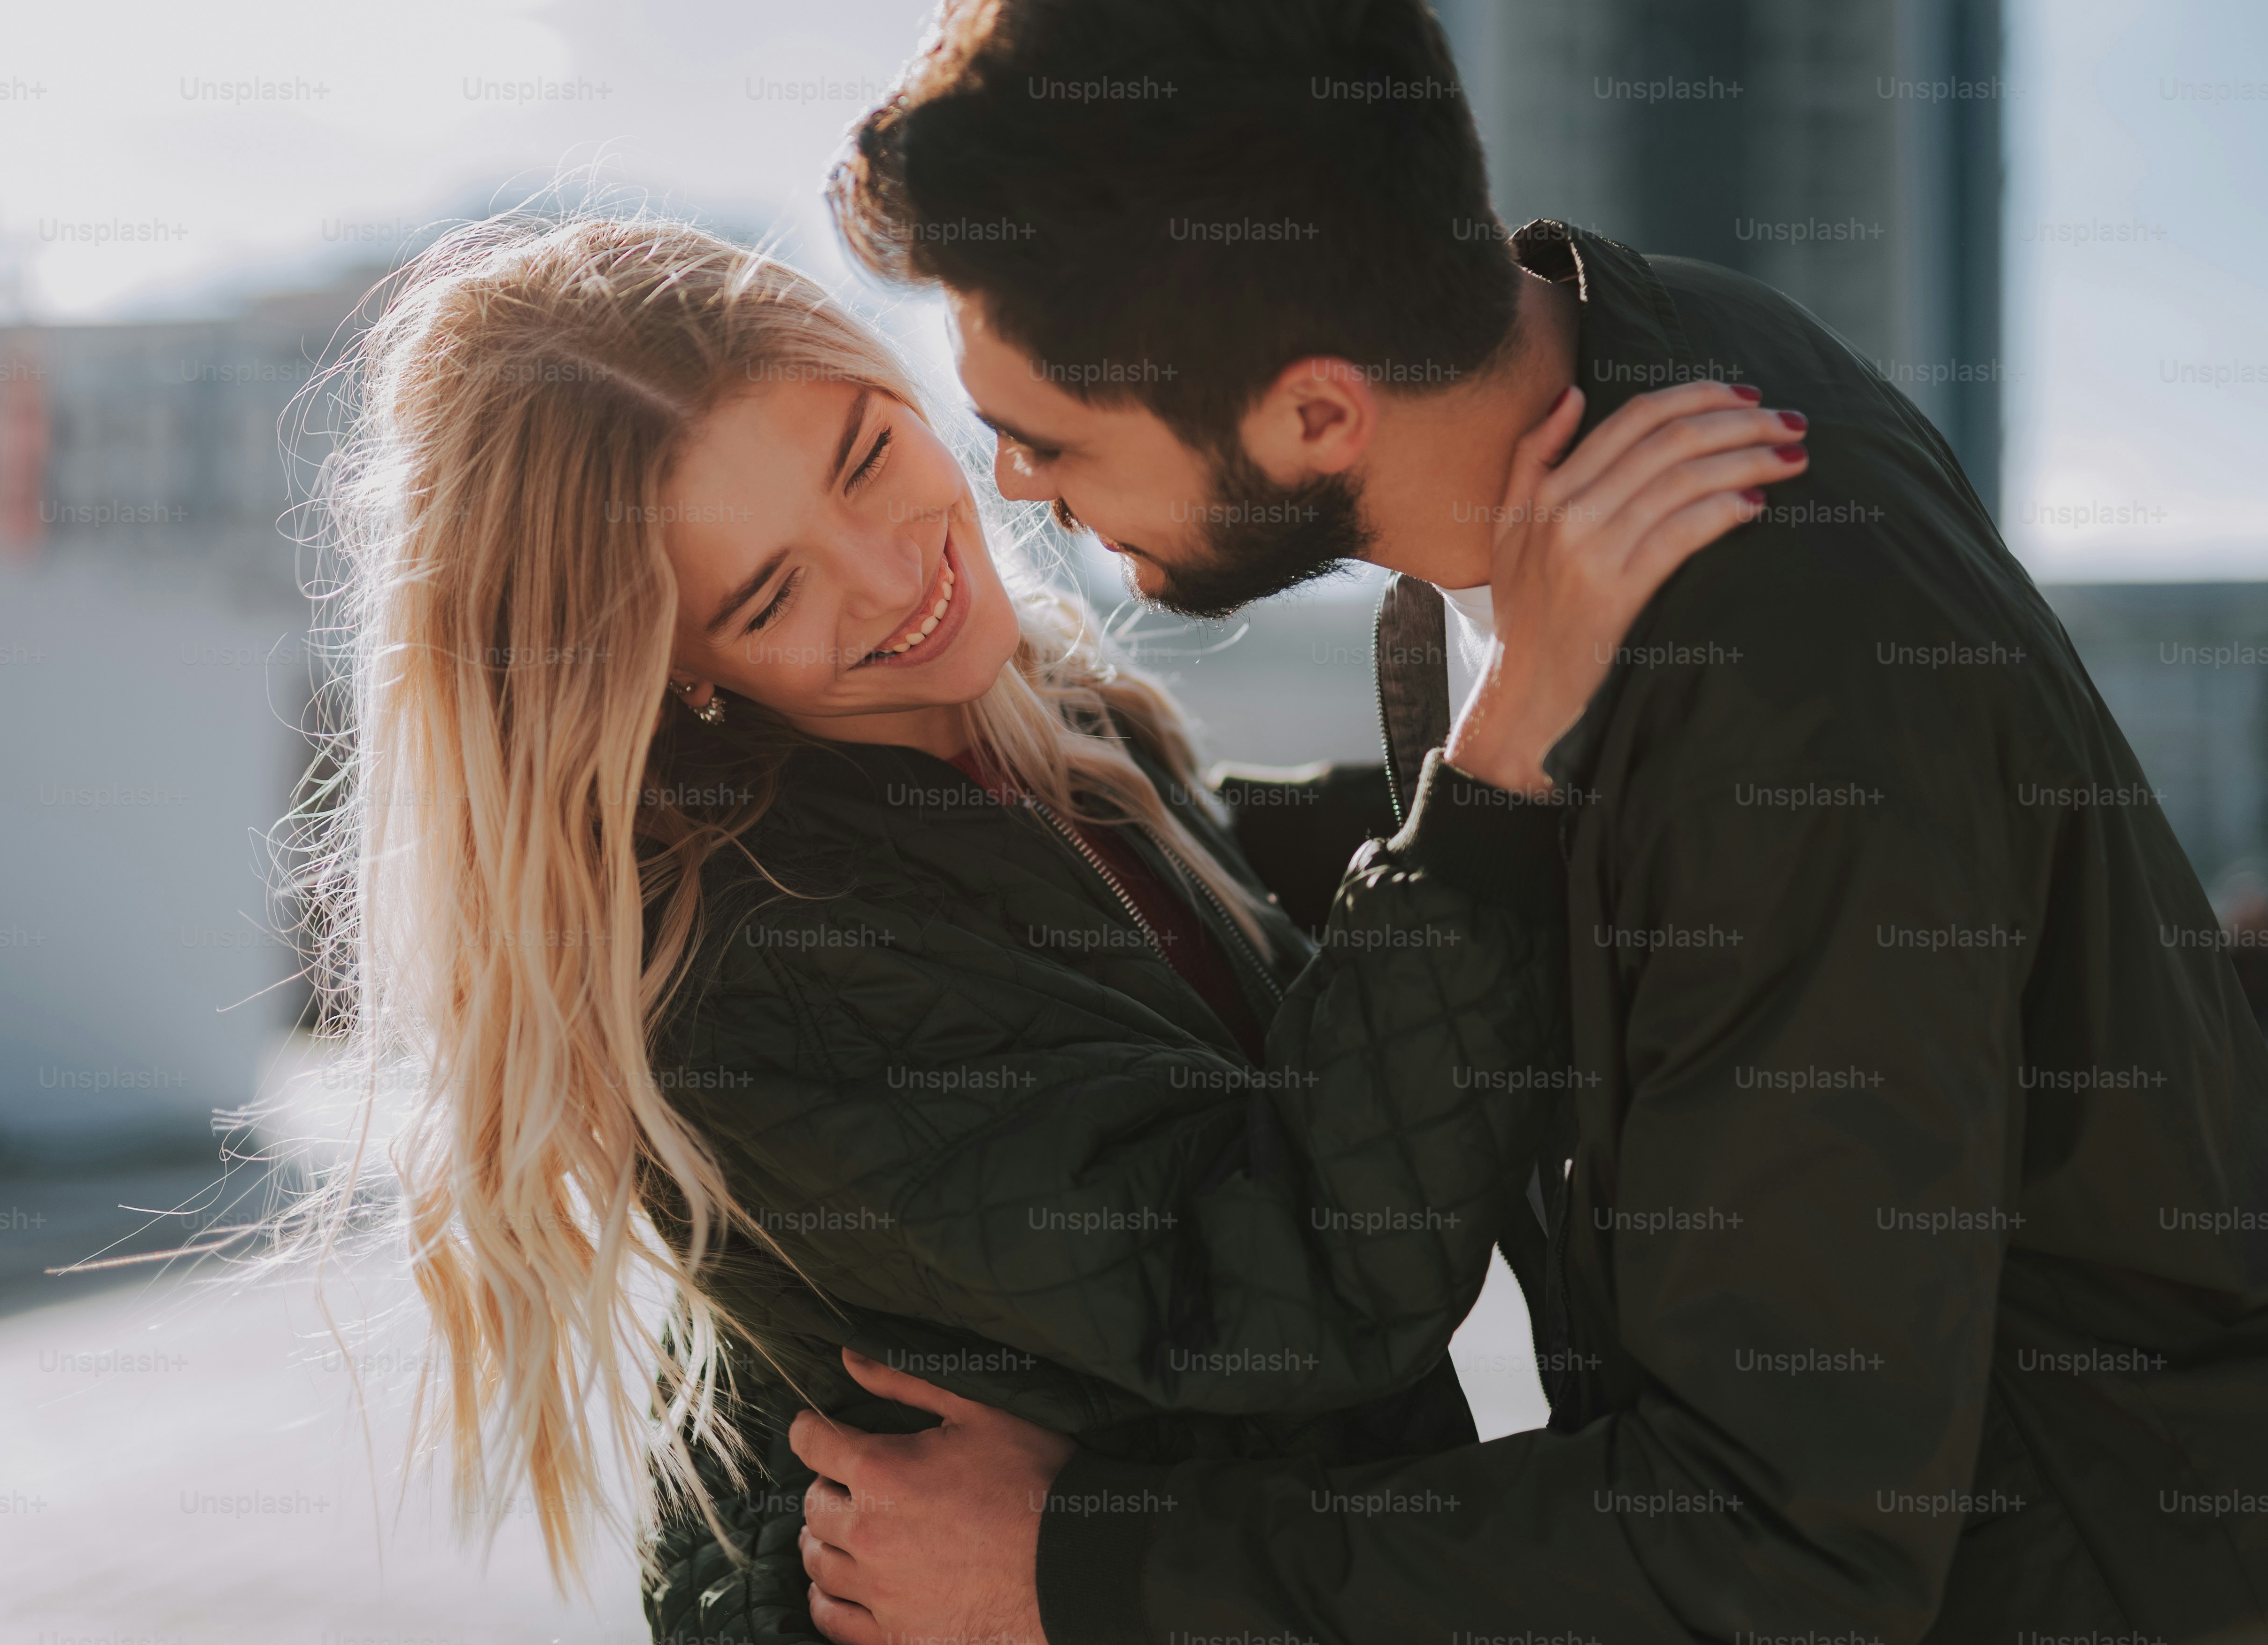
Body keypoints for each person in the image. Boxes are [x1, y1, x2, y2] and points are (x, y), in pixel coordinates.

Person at [786, 0, 2268, 1642]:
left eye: (1054, 435)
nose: (1012, 485)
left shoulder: (1781, 687)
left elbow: (1782, 1547)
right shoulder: (1584, 389)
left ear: (1317, 417)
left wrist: (1079, 1568)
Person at [296, 211, 1806, 1635]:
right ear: (671, 672)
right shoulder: (754, 968)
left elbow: (1298, 937)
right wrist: (1512, 735)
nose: (896, 575)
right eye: (769, 599)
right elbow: (1294, 1291)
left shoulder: (1046, 730)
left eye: (867, 455)